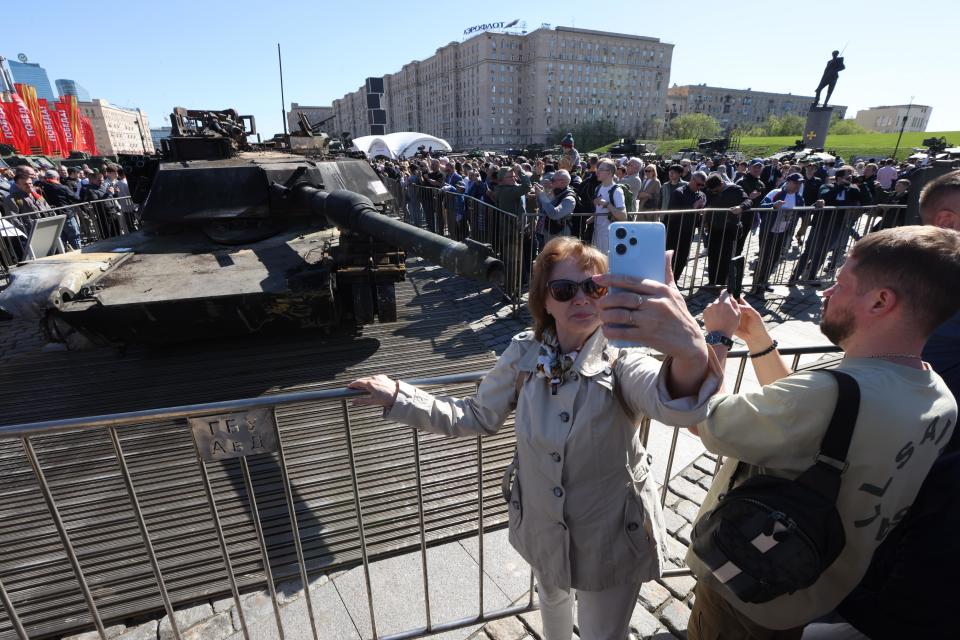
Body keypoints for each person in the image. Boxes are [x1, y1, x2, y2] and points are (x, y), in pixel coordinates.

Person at [350, 236, 721, 640]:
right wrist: (401, 396)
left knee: (602, 634)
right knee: (553, 607)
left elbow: (671, 400)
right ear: (544, 301)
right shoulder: (523, 353)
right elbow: (476, 416)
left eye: (594, 286)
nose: (581, 299)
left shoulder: (623, 358)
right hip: (544, 524)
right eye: (564, 290)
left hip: (609, 533)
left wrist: (689, 349)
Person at [691, 225, 960, 639]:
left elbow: (703, 417)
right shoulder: (939, 396)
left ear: (881, 300)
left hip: (745, 586)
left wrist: (715, 337)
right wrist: (760, 342)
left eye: (840, 282)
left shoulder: (827, 395)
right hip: (810, 585)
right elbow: (812, 420)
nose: (826, 292)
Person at [752, 173, 804, 294]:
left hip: (783, 232)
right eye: (796, 182)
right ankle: (756, 285)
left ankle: (764, 281)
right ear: (788, 181)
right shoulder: (775, 192)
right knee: (764, 257)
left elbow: (803, 212)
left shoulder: (799, 197)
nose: (798, 185)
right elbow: (761, 206)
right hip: (768, 231)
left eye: (800, 183)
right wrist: (773, 206)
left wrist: (815, 206)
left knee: (775, 258)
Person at [703, 174, 752, 288]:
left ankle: (721, 283)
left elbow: (748, 201)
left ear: (721, 184)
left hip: (729, 229)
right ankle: (712, 282)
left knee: (725, 257)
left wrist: (741, 207)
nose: (714, 192)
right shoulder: (710, 189)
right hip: (714, 229)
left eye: (716, 190)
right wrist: (706, 220)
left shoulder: (735, 189)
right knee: (712, 256)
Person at [665, 170, 707, 281]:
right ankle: (666, 281)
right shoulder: (679, 192)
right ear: (692, 180)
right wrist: (693, 207)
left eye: (702, 185)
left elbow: (700, 214)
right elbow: (673, 212)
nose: (700, 187)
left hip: (689, 231)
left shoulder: (701, 195)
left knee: (683, 258)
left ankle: (675, 280)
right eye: (698, 184)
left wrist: (702, 213)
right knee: (671, 258)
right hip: (675, 231)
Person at [38, 169, 83, 249]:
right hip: (67, 215)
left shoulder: (41, 187)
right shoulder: (61, 187)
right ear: (56, 177)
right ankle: (79, 254)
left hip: (52, 217)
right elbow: (76, 198)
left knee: (61, 240)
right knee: (75, 237)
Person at [590, 158, 627, 254]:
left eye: (601, 169)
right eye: (598, 169)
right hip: (597, 232)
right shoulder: (598, 188)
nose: (597, 171)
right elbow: (599, 210)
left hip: (609, 235)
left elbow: (623, 216)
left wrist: (606, 204)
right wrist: (592, 218)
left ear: (610, 173)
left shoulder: (617, 191)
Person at [533, 169, 577, 246]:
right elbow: (543, 208)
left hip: (559, 237)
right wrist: (541, 193)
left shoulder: (570, 199)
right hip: (547, 233)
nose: (550, 181)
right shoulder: (556, 192)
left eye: (553, 180)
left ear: (562, 182)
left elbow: (554, 214)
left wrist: (542, 196)